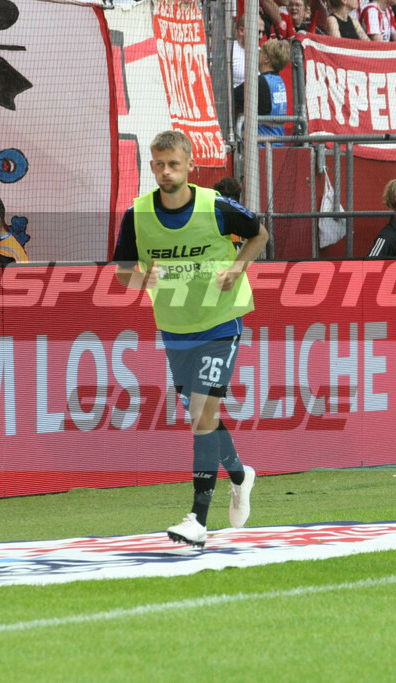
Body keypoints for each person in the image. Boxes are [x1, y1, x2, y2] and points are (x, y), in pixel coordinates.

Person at [113, 130, 268, 548]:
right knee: (203, 416)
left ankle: (197, 519)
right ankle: (240, 474)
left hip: (221, 320)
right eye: (159, 164)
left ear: (190, 165)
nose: (166, 171)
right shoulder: (137, 215)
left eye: (174, 164)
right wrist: (139, 277)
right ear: (152, 167)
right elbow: (121, 271)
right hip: (174, 328)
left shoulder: (215, 206)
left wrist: (237, 269)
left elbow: (259, 233)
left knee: (202, 412)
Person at [233, 38, 291, 145]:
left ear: (266, 59)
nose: (257, 54)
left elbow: (231, 97)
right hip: (277, 147)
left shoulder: (259, 83)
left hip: (261, 150)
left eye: (260, 52)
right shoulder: (279, 82)